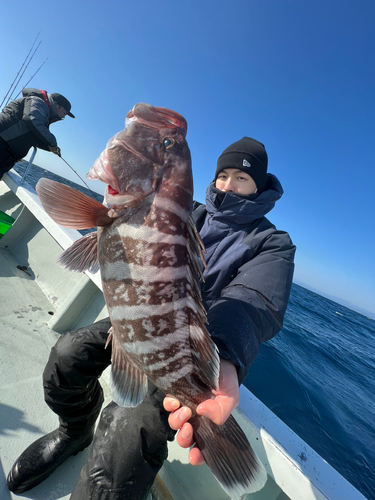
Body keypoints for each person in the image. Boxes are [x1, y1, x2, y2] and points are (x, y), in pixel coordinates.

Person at [6, 136, 296, 499]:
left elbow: (255, 302)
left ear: (259, 185)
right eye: (224, 174)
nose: (228, 184)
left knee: (127, 427)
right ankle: (74, 430)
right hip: (136, 320)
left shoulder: (272, 243)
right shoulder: (186, 210)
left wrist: (219, 354)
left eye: (241, 177)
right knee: (67, 354)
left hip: (187, 354)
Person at [0, 88, 75, 179]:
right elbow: (31, 120)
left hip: (6, 156)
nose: (63, 116)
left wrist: (49, 147)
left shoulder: (44, 114)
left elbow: (35, 136)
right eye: (64, 113)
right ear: (56, 104)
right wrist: (52, 142)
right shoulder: (39, 103)